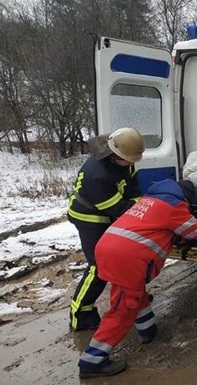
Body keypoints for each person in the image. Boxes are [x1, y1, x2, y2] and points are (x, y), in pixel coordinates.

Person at [77, 179, 197, 378]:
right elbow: (195, 231)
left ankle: (147, 329)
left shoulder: (147, 200)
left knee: (133, 291)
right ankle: (92, 361)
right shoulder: (174, 206)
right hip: (126, 258)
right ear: (185, 198)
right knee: (124, 309)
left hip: (107, 248)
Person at [67, 127, 144, 331]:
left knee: (119, 257)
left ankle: (129, 296)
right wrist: (143, 211)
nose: (132, 163)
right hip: (88, 217)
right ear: (115, 156)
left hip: (106, 212)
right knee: (99, 266)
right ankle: (80, 312)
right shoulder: (97, 175)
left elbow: (133, 188)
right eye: (128, 160)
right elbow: (118, 208)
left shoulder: (125, 160)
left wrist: (139, 203)